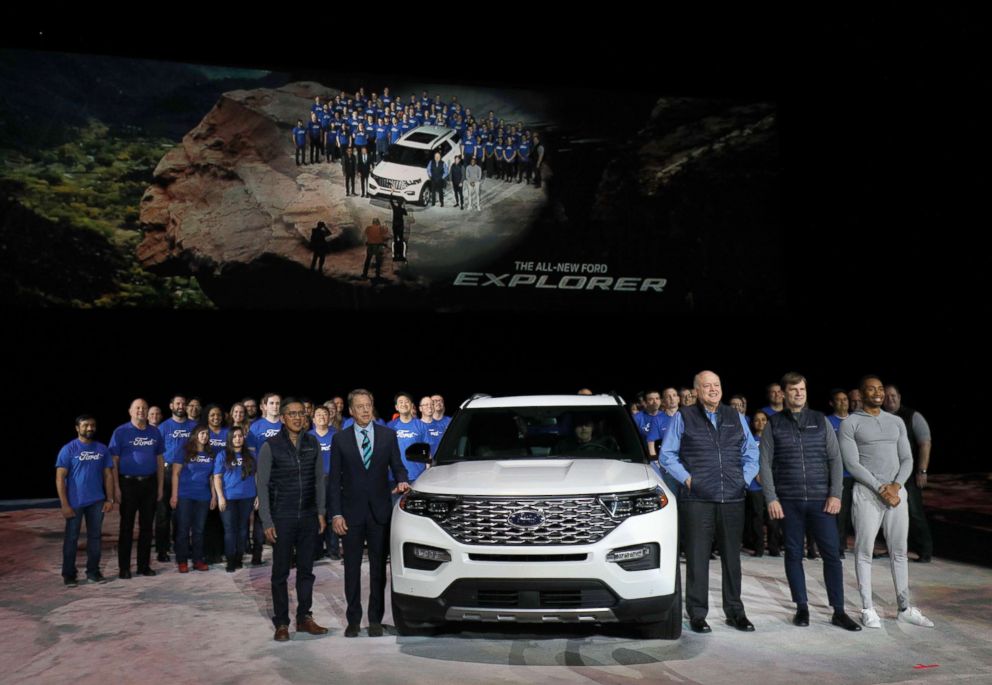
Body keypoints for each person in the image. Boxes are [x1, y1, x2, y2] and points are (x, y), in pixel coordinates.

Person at [659, 370, 759, 634]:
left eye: (717, 385)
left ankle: (735, 612)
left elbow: (751, 451)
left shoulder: (735, 417)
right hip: (697, 499)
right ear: (696, 391)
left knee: (732, 560)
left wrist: (743, 479)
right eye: (707, 386)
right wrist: (689, 480)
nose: (713, 389)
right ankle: (697, 614)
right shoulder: (684, 416)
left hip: (732, 497)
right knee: (697, 559)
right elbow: (667, 455)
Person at [758, 373, 860, 631]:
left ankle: (838, 610)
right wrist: (771, 497)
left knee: (832, 556)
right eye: (793, 390)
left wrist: (836, 494)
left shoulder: (820, 420)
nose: (799, 393)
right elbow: (765, 464)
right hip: (789, 501)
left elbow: (835, 459)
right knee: (793, 554)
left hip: (821, 501)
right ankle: (802, 607)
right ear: (783, 393)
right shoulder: (774, 424)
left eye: (802, 389)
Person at [839, 376, 934, 629]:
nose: (878, 392)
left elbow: (907, 458)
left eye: (880, 388)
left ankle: (904, 608)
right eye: (871, 388)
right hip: (868, 493)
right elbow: (852, 464)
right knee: (864, 551)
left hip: (896, 493)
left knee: (899, 551)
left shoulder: (896, 422)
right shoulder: (850, 424)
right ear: (861, 393)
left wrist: (895, 486)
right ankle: (868, 608)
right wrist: (880, 487)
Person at [330, 389, 410, 637]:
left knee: (378, 569)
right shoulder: (340, 439)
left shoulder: (388, 435)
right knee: (351, 569)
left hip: (379, 513)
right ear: (351, 411)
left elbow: (397, 465)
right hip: (351, 514)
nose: (365, 410)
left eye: (368, 405)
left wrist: (402, 480)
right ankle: (353, 620)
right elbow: (334, 481)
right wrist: (336, 514)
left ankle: (375, 619)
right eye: (360, 406)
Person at [257, 398, 328, 641]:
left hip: (308, 516)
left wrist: (321, 512)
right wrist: (267, 521)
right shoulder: (271, 446)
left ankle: (304, 618)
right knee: (280, 574)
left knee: (307, 571)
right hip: (283, 517)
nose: (298, 417)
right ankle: (282, 623)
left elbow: (319, 480)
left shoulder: (312, 443)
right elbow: (262, 486)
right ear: (284, 418)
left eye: (301, 413)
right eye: (292, 414)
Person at [109, 399, 165, 579]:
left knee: (147, 527)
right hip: (128, 484)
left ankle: (143, 566)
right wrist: (116, 487)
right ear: (130, 411)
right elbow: (114, 461)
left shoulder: (155, 432)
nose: (141, 411)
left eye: (144, 408)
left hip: (149, 484)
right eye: (138, 408)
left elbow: (159, 461)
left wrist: (160, 486)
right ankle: (124, 568)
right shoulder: (121, 432)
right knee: (126, 527)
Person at [56, 415, 113, 585]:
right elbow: (60, 478)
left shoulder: (102, 449)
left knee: (95, 538)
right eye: (86, 425)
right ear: (77, 428)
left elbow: (108, 475)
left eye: (93, 425)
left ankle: (93, 572)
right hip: (75, 503)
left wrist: (109, 498)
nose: (90, 428)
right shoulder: (68, 449)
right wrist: (64, 504)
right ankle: (69, 574)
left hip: (96, 501)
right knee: (71, 538)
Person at [883, 384, 934, 562]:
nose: (890, 399)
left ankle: (924, 550)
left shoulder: (913, 416)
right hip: (887, 474)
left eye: (893, 396)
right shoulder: (880, 417)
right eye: (887, 396)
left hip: (909, 474)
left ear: (899, 397)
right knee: (890, 512)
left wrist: (922, 470)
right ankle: (893, 549)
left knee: (914, 511)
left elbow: (925, 443)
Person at [170, 426, 217, 573]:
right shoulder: (184, 451)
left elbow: (212, 477)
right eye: (202, 433)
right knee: (183, 530)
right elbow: (175, 474)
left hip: (203, 497)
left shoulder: (210, 453)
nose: (204, 436)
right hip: (185, 496)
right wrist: (174, 495)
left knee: (199, 530)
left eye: (207, 434)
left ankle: (198, 560)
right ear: (195, 435)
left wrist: (214, 495)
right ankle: (182, 561)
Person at [156, 395, 196, 562]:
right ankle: (162, 549)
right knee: (163, 514)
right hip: (167, 472)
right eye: (177, 403)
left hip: (188, 473)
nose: (181, 406)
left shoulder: (194, 426)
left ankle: (183, 546)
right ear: (171, 405)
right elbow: (157, 453)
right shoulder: (163, 427)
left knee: (184, 514)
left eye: (183, 403)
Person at [213, 426, 256, 572]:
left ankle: (239, 557)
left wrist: (258, 495)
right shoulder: (222, 455)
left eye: (240, 436)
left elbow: (256, 476)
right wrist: (220, 497)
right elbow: (217, 478)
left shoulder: (250, 455)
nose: (238, 438)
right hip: (229, 498)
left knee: (243, 529)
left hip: (247, 497)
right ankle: (230, 560)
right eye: (235, 436)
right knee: (230, 530)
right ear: (230, 439)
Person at [309, 406, 340, 560]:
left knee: (332, 514)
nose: (321, 417)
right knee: (316, 515)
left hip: (333, 480)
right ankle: (316, 551)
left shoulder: (337, 436)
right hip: (315, 482)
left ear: (329, 418)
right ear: (313, 419)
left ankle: (333, 549)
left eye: (325, 414)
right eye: (318, 414)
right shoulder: (308, 437)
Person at [827, 388, 855, 558]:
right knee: (840, 514)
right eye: (839, 399)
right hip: (840, 475)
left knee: (857, 514)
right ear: (832, 403)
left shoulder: (856, 420)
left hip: (858, 475)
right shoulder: (828, 421)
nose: (843, 402)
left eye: (845, 399)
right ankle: (838, 547)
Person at [390, 197, 409, 262]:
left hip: (395, 225)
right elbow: (406, 214)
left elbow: (390, 200)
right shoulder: (402, 209)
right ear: (401, 203)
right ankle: (401, 255)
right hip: (400, 226)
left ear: (397, 203)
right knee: (401, 240)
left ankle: (395, 255)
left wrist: (391, 193)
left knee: (395, 240)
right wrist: (404, 206)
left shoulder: (395, 208)